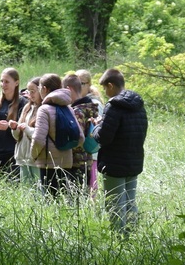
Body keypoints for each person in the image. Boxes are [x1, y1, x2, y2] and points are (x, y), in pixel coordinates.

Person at [90, 68, 148, 234]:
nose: (105, 92)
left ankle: (118, 240)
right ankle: (132, 236)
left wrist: (96, 127)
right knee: (130, 202)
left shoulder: (113, 106)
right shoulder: (138, 105)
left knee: (115, 205)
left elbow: (104, 138)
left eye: (105, 88)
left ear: (111, 85)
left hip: (114, 163)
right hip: (134, 160)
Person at [30, 73, 82, 196]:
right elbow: (80, 138)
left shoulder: (44, 109)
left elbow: (38, 139)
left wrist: (33, 155)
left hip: (48, 164)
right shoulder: (69, 108)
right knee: (63, 199)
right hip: (67, 163)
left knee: (49, 200)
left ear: (44, 89)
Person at [63, 72, 99, 189]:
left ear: (68, 89)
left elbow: (77, 138)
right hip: (87, 160)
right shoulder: (89, 107)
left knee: (75, 197)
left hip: (76, 163)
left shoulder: (77, 112)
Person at [11, 77, 43, 189]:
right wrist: (15, 128)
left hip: (36, 159)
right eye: (29, 91)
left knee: (39, 191)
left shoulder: (44, 109)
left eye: (33, 91)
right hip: (23, 158)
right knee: (26, 191)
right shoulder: (27, 107)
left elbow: (41, 134)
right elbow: (17, 137)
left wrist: (27, 129)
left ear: (41, 90)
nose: (30, 94)